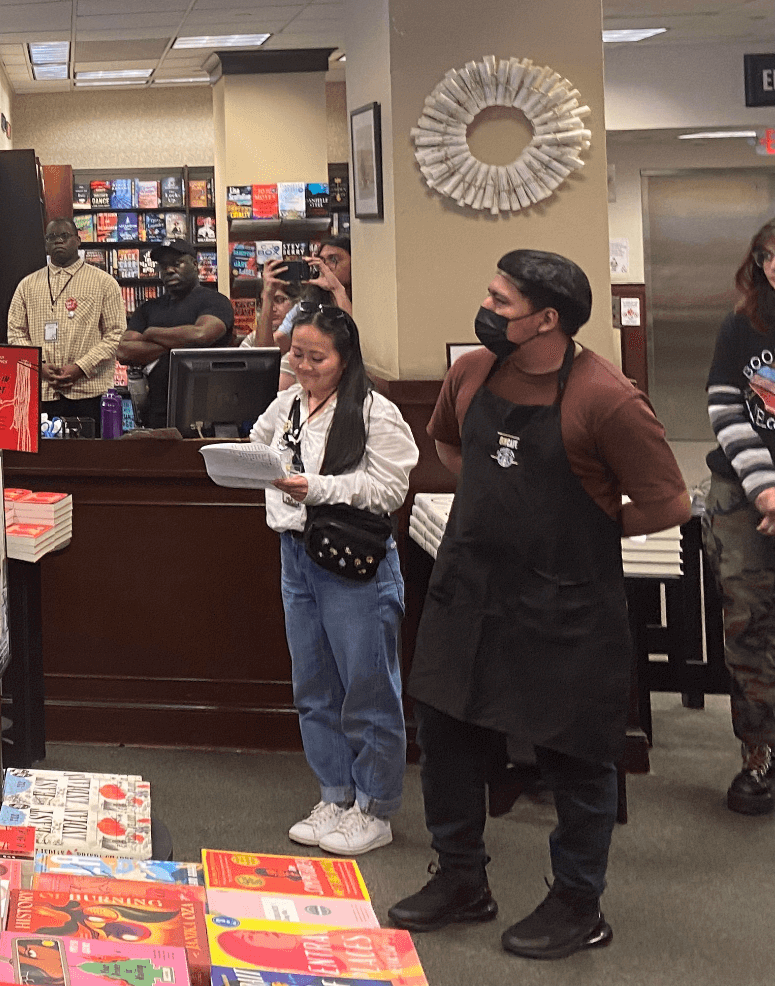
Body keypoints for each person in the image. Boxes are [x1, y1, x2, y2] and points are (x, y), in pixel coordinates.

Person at [391, 250, 689, 959]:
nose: (486, 308)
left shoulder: (607, 398)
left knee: (574, 755)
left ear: (547, 318)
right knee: (446, 734)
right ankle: (462, 877)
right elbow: (449, 446)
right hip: (470, 590)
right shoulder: (471, 373)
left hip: (565, 602)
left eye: (501, 301)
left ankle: (579, 903)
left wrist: (589, 520)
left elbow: (670, 502)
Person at [249, 306, 416, 858]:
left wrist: (317, 488)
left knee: (368, 688)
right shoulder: (288, 404)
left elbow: (389, 490)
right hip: (296, 555)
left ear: (345, 359)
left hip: (353, 563)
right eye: (296, 354)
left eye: (316, 358)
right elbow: (258, 445)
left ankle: (374, 807)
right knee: (314, 686)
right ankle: (335, 794)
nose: (303, 366)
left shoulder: (375, 412)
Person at [703, 220, 775, 816]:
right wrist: (766, 489)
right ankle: (759, 752)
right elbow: (726, 405)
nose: (774, 268)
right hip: (742, 493)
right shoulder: (742, 324)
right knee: (748, 625)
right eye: (766, 256)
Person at [6, 217, 127, 411]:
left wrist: (81, 367)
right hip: (42, 391)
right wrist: (38, 366)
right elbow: (15, 334)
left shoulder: (104, 283)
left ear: (78, 240)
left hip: (89, 391)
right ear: (45, 244)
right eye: (51, 237)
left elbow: (116, 334)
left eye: (64, 236)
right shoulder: (26, 286)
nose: (58, 241)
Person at [119, 238, 236, 429]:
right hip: (158, 412)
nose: (169, 270)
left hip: (209, 412)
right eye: (163, 266)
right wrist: (181, 342)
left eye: (177, 263)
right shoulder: (149, 308)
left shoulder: (215, 301)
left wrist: (151, 332)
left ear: (195, 264)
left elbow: (202, 335)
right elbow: (124, 351)